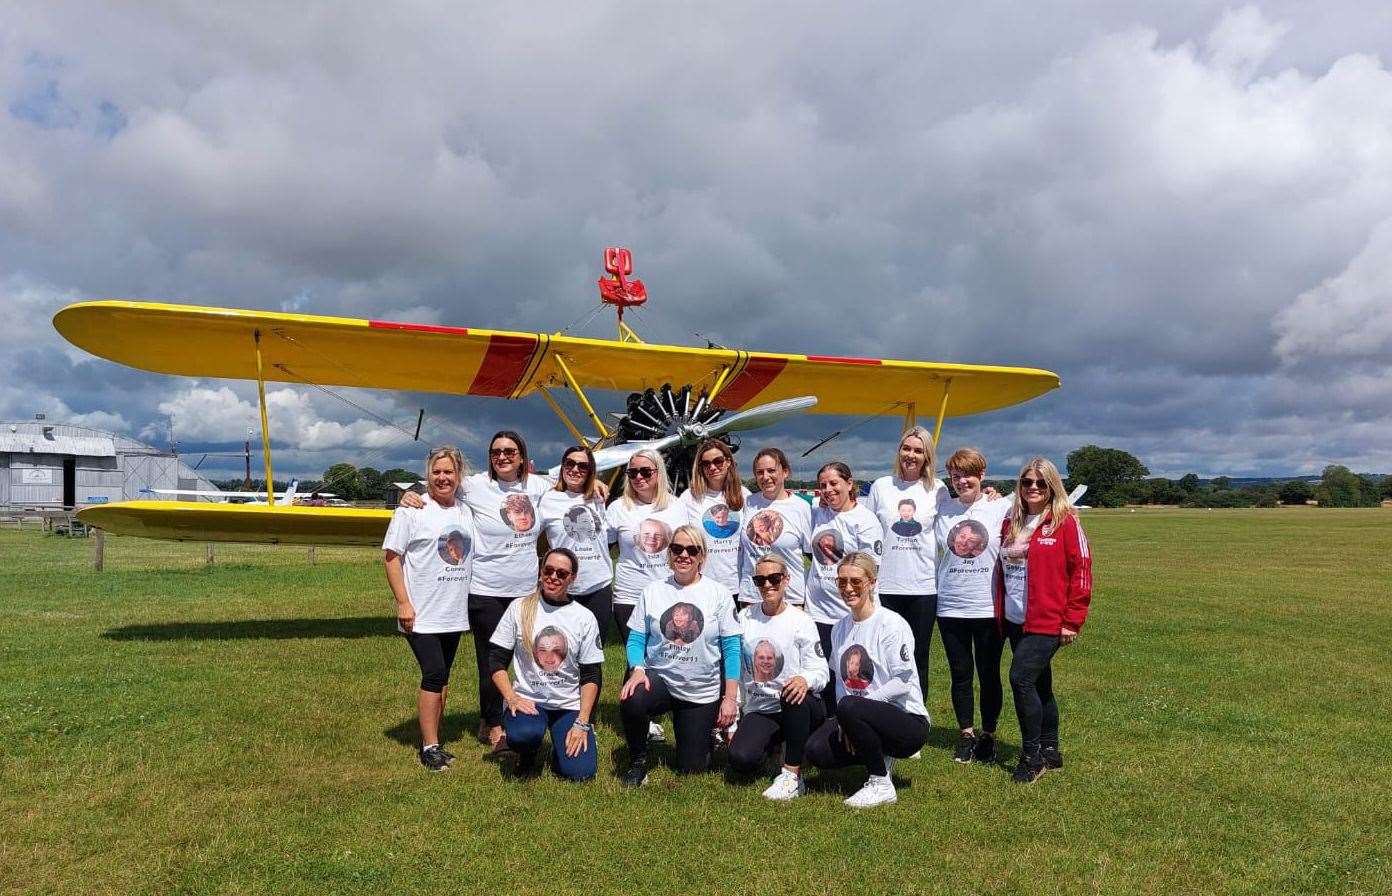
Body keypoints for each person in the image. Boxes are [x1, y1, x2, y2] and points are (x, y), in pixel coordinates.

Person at [994, 458, 1093, 783]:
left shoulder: (1065, 522)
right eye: (1027, 482)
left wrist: (1072, 620)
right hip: (1014, 618)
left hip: (1047, 619)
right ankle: (1051, 749)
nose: (1033, 488)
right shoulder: (1012, 522)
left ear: (1052, 487)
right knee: (1040, 683)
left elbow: (1081, 570)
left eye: (1040, 483)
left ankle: (1032, 755)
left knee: (1020, 678)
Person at [618, 525, 740, 786]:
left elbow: (731, 648)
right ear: (669, 553)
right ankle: (638, 762)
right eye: (677, 548)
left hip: (700, 690)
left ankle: (706, 734)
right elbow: (637, 638)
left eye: (691, 550)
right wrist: (637, 668)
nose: (683, 555)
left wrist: (729, 699)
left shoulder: (719, 594)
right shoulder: (653, 591)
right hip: (660, 680)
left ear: (702, 557)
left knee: (692, 769)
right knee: (633, 696)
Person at [806, 552, 929, 808]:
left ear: (872, 582)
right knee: (816, 750)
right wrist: (847, 720)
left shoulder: (891, 624)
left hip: (907, 721)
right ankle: (877, 751)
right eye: (842, 582)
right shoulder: (840, 628)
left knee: (850, 706)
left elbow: (902, 683)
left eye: (856, 582)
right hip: (857, 714)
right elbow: (840, 682)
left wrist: (854, 713)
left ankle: (881, 783)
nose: (848, 588)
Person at [383, 446, 475, 771]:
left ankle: (435, 739)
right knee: (433, 673)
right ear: (427, 475)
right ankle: (429, 747)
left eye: (448, 472)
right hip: (420, 614)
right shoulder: (411, 511)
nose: (442, 477)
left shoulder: (466, 511)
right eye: (436, 472)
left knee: (444, 676)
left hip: (453, 613)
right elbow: (391, 558)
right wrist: (403, 602)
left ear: (458, 475)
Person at [488, 549, 605, 780]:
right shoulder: (520, 607)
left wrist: (582, 722)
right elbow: (495, 660)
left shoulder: (584, 617)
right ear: (541, 572)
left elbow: (591, 675)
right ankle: (527, 754)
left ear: (572, 578)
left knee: (581, 773)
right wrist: (512, 698)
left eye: (561, 573)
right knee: (524, 734)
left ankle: (560, 752)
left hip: (568, 705)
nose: (553, 577)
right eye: (548, 570)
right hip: (529, 701)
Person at [934, 447, 1012, 764]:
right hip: (950, 606)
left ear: (982, 475)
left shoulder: (1001, 506)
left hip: (987, 607)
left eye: (968, 474)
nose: (961, 481)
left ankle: (988, 736)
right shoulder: (943, 509)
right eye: (955, 475)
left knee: (989, 674)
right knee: (961, 674)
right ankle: (966, 733)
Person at [728, 555, 828, 801]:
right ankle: (776, 745)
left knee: (792, 692)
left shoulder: (801, 620)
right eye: (760, 580)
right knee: (741, 759)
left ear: (786, 580)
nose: (768, 585)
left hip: (798, 705)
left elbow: (821, 670)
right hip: (761, 708)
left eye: (774, 578)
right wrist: (733, 719)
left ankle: (793, 776)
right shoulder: (744, 618)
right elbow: (737, 671)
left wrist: (805, 680)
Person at [606, 449, 689, 745]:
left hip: (667, 592)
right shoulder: (618, 508)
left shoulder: (677, 507)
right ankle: (640, 715)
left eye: (646, 471)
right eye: (633, 472)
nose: (639, 477)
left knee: (660, 654)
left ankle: (658, 706)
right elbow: (603, 546)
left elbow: (687, 548)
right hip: (629, 593)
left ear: (658, 474)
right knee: (636, 655)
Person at [866, 426, 948, 698]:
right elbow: (866, 529)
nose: (911, 455)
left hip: (923, 588)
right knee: (882, 653)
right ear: (899, 451)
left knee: (917, 655)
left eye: (918, 450)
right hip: (886, 585)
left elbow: (957, 520)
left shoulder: (938, 489)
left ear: (927, 456)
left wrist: (991, 495)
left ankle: (915, 715)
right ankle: (882, 711)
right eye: (906, 448)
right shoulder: (881, 486)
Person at [805, 461, 882, 716]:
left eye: (834, 483)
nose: (828, 490)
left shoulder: (865, 520)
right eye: (823, 485)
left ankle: (858, 729)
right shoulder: (818, 513)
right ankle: (827, 730)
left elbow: (870, 571)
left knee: (852, 677)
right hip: (817, 613)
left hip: (848, 615)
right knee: (823, 677)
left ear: (850, 484)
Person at [538, 445, 615, 644]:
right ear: (562, 467)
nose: (575, 469)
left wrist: (596, 481)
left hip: (598, 586)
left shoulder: (598, 497)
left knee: (594, 652)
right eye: (570, 463)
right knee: (561, 648)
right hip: (563, 586)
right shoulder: (547, 499)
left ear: (591, 471)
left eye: (583, 466)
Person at [738, 448, 813, 607]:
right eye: (760, 472)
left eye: (771, 470)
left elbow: (811, 555)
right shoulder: (749, 502)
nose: (765, 477)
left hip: (789, 598)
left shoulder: (801, 507)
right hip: (753, 597)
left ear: (785, 472)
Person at [678, 439, 749, 602]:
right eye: (706, 463)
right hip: (702, 586)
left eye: (718, 461)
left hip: (739, 587)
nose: (712, 467)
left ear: (728, 462)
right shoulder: (689, 498)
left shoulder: (745, 495)